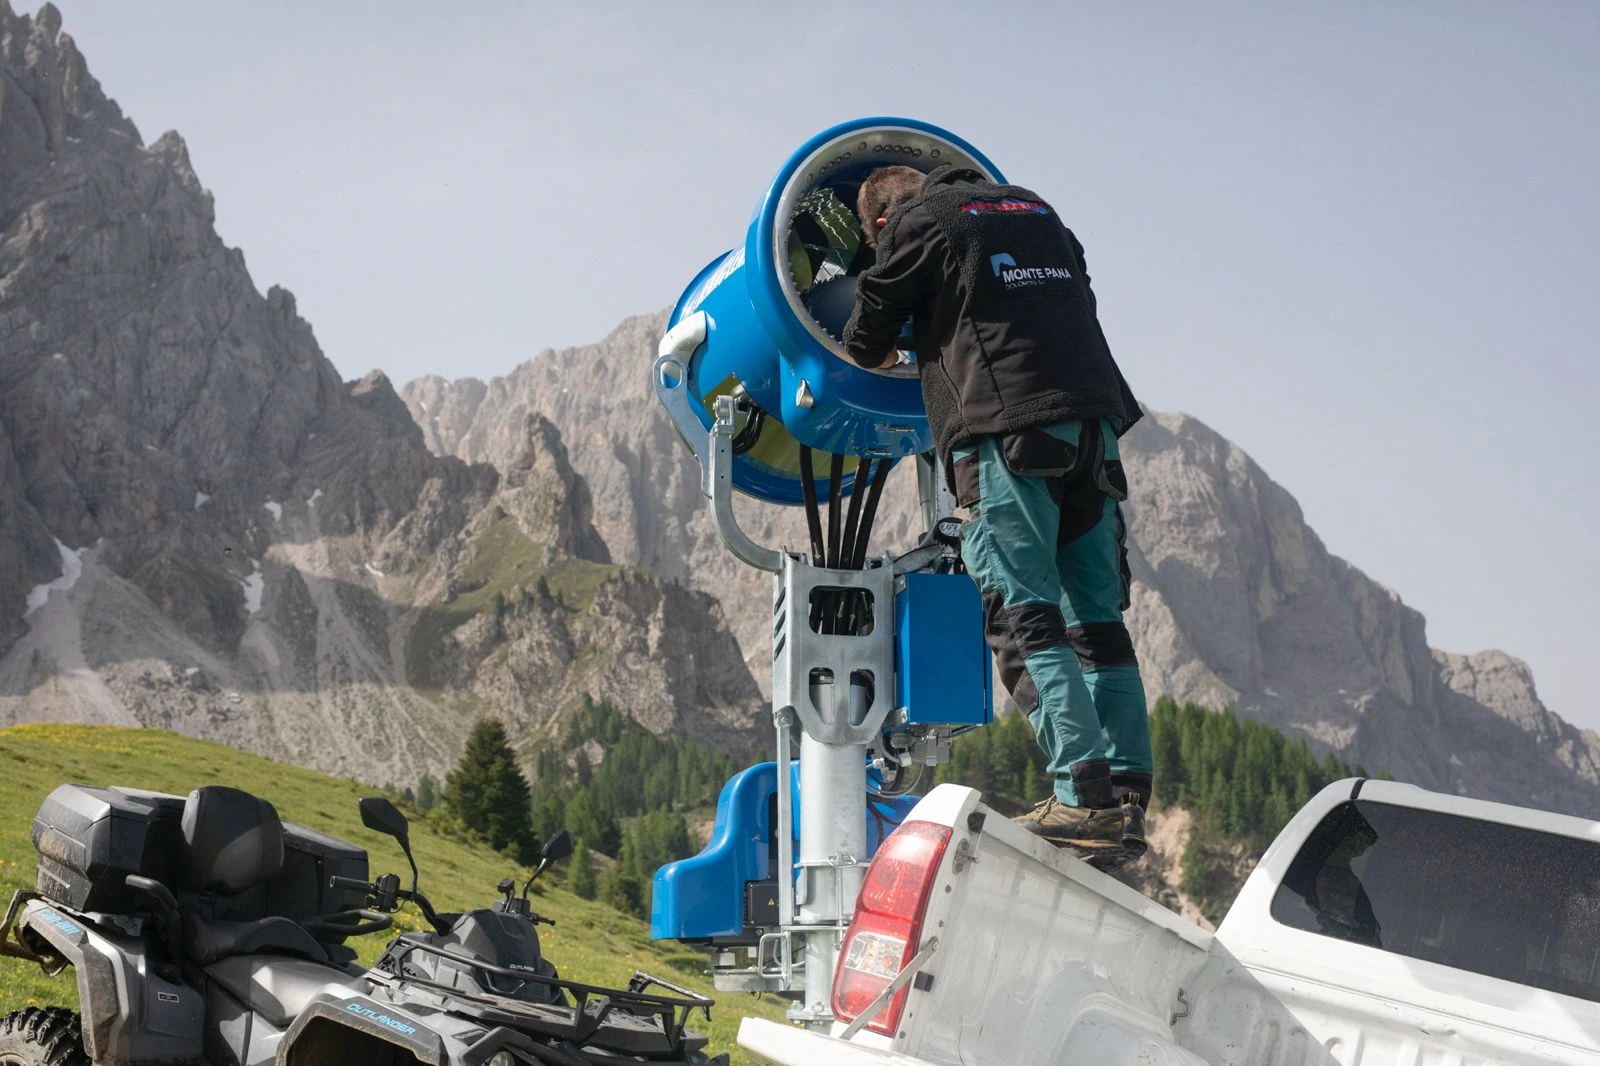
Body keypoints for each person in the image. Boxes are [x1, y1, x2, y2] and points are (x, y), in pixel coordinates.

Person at [842, 164, 1151, 866]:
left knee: (1025, 614)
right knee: (1096, 622)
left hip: (1007, 433)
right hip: (1094, 434)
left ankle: (1081, 796)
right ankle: (1125, 794)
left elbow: (868, 336)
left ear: (885, 224)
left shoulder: (921, 222)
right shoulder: (1037, 210)